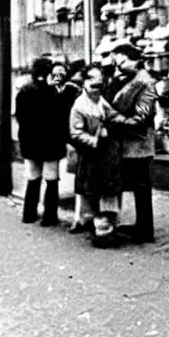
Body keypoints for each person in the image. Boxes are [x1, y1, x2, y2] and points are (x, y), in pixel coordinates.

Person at [105, 38, 158, 244]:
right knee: (137, 186)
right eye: (116, 63)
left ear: (135, 60)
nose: (118, 67)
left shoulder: (145, 83)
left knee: (142, 187)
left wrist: (116, 119)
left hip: (138, 143)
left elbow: (141, 117)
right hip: (129, 143)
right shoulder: (128, 80)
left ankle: (146, 229)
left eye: (122, 62)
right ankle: (141, 225)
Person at [68, 65, 123, 245]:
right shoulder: (79, 106)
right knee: (95, 192)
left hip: (108, 155)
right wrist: (95, 140)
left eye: (99, 79)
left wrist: (119, 122)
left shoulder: (101, 100)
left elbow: (111, 115)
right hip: (93, 156)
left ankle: (109, 227)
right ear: (84, 82)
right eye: (91, 79)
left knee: (109, 191)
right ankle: (100, 230)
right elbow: (76, 134)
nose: (96, 84)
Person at [15, 57, 67, 226]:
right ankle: (49, 216)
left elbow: (20, 117)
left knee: (32, 178)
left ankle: (28, 213)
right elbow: (61, 121)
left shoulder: (23, 92)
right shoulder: (54, 94)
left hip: (30, 143)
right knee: (51, 179)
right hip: (51, 144)